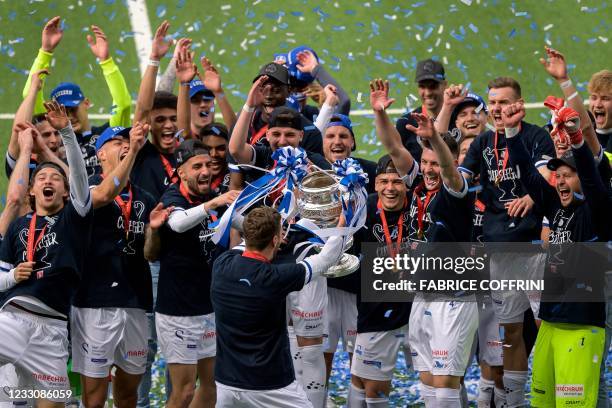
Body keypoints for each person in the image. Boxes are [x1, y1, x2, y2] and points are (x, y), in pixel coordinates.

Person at [503, 102, 610, 407]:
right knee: (541, 403)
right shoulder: (555, 207)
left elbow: (592, 178)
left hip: (581, 328)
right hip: (549, 324)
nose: (561, 181)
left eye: (568, 176)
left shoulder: (597, 213)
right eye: (558, 176)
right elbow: (528, 175)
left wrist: (577, 138)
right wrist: (511, 132)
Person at [458, 76, 555, 407]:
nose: (497, 108)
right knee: (511, 335)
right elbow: (459, 180)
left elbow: (547, 175)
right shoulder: (482, 143)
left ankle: (552, 395)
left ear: (519, 104)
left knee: (549, 327)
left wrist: (531, 195)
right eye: (493, 102)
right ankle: (514, 404)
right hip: (500, 250)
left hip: (535, 249)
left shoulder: (537, 135)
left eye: (503, 102)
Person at [0, 100, 93, 408]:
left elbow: (80, 179)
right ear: (32, 190)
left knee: (49, 404)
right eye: (41, 178)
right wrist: (13, 275)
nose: (48, 180)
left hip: (52, 332)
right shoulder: (17, 228)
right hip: (12, 319)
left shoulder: (74, 218)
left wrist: (66, 131)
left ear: (66, 192)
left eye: (55, 178)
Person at [211, 206, 345, 408]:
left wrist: (268, 232)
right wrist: (343, 224)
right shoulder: (275, 278)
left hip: (225, 383)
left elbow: (244, 238)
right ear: (275, 240)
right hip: (270, 386)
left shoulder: (222, 263)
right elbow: (326, 259)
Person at [70, 123, 157, 408]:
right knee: (94, 398)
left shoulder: (144, 199)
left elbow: (151, 255)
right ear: (101, 153)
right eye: (117, 141)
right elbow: (106, 194)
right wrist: (133, 149)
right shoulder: (89, 188)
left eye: (127, 141)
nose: (124, 145)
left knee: (128, 393)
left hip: (136, 301)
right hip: (96, 303)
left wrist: (154, 232)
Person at [434, 87, 505, 407]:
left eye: (474, 111)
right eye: (461, 114)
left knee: (494, 358)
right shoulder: (451, 182)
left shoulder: (501, 173)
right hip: (457, 283)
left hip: (494, 280)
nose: (469, 118)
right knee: (454, 359)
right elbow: (435, 148)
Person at [156, 139, 238, 408]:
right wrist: (214, 202)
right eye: (197, 166)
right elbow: (178, 224)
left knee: (212, 386)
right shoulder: (173, 197)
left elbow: (239, 221)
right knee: (184, 391)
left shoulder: (210, 198)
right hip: (178, 311)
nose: (206, 171)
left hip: (208, 308)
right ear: (182, 172)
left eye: (208, 165)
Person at [21, 17, 131, 177]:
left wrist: (106, 61)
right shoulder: (55, 142)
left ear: (86, 103)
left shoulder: (107, 134)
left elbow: (123, 105)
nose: (69, 116)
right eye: (63, 111)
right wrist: (45, 52)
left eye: (73, 109)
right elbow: (29, 95)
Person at [396, 59, 448, 162]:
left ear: (444, 85)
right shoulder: (406, 123)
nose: (427, 93)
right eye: (422, 86)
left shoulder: (459, 117)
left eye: (433, 86)